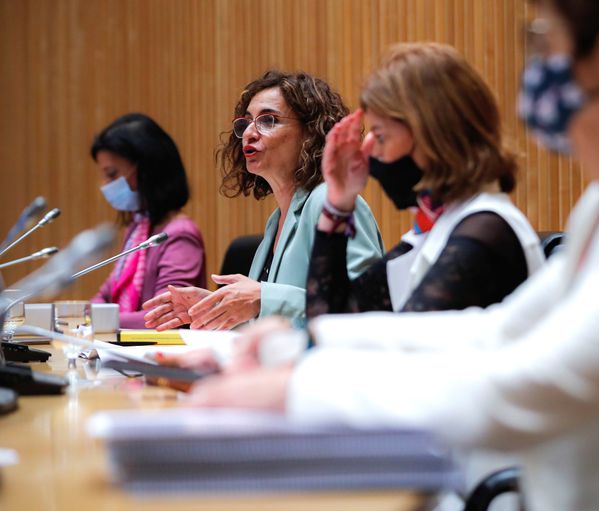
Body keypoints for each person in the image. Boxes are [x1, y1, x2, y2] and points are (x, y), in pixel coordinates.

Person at [184, 0, 599, 510]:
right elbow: (500, 332)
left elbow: (534, 383)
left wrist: (297, 388)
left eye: (544, 41)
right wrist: (303, 345)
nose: (532, 63)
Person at [306, 43, 544, 319]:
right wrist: (338, 199)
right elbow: (330, 318)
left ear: (431, 134)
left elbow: (402, 349)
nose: (372, 153)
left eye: (381, 136)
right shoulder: (437, 225)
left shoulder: (486, 230)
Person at [142, 71, 383, 330]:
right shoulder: (276, 220)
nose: (249, 132)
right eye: (246, 122)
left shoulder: (330, 203)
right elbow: (274, 318)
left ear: (311, 132)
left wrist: (262, 298)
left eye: (268, 120)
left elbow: (367, 307)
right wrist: (215, 307)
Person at [91, 113, 206, 329]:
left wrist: (94, 321)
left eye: (112, 174)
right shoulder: (137, 230)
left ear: (146, 170)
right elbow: (104, 296)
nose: (104, 185)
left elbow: (164, 316)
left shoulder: (179, 234)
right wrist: (85, 316)